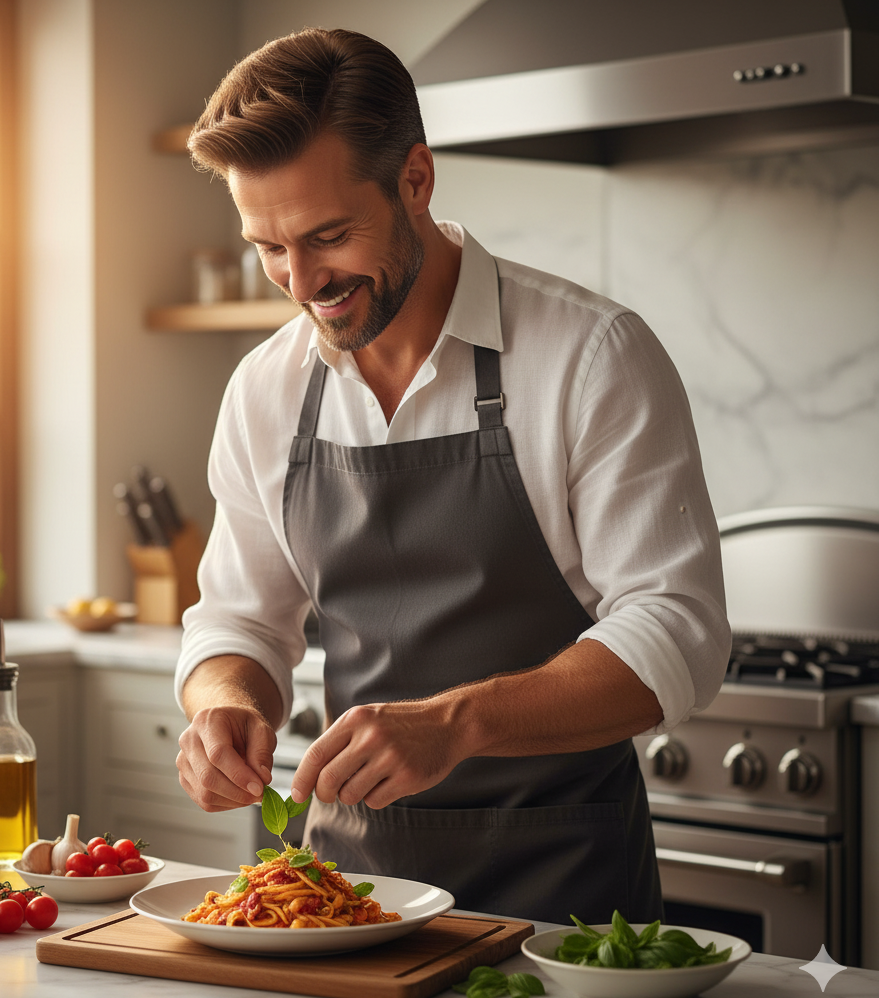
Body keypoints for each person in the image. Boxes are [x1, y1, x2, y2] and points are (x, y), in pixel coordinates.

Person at [174, 27, 729, 924]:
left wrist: (459, 723)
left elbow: (680, 633)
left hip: (569, 908)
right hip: (350, 904)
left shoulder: (590, 356)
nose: (302, 282)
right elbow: (238, 618)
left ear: (416, 181)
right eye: (270, 248)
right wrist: (224, 701)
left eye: (327, 236)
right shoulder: (265, 391)